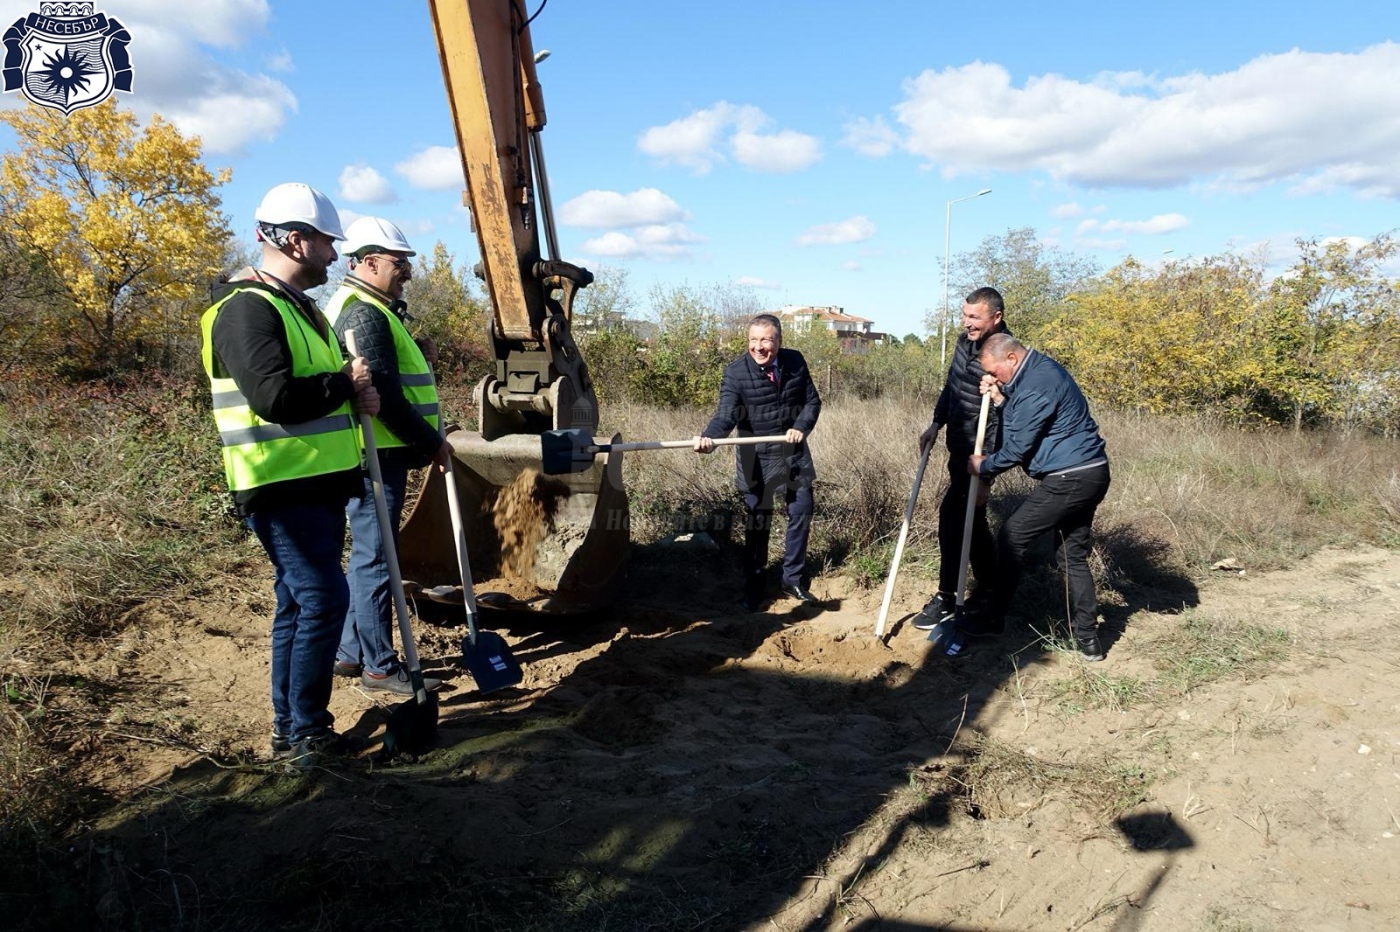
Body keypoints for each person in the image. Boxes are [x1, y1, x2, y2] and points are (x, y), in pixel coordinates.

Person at [201, 183, 380, 767]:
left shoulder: (297, 309)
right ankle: (306, 731)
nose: (334, 256)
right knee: (324, 599)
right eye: (328, 244)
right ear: (296, 241)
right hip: (281, 488)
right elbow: (274, 397)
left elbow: (323, 389)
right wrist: (343, 386)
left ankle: (291, 729)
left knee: (299, 604)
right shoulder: (245, 309)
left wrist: (356, 398)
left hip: (318, 485)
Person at [325, 216, 449, 696]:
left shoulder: (372, 308)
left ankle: (350, 652)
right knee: (376, 560)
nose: (408, 272)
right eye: (400, 263)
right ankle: (379, 667)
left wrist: (417, 350)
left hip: (379, 451)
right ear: (369, 261)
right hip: (378, 454)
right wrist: (432, 442)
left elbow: (381, 364)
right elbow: (387, 397)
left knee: (368, 555)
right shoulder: (364, 312)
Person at [968, 333, 1111, 660]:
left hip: (1072, 477)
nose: (994, 378)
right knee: (1071, 554)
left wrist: (983, 466)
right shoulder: (1038, 372)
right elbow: (1028, 417)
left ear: (1012, 359)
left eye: (996, 372)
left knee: (1012, 535)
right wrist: (1002, 399)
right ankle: (1088, 640)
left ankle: (993, 618)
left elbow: (1018, 448)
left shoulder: (1036, 383)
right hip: (1090, 472)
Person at [693, 314, 822, 612]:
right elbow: (725, 414)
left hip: (793, 452)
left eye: (765, 340)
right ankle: (754, 585)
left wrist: (801, 427)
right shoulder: (736, 372)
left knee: (801, 512)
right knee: (757, 523)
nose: (759, 347)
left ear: (778, 340)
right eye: (753, 340)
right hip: (755, 457)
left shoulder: (795, 361)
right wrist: (709, 438)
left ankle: (791, 579)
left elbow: (813, 402)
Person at [913, 287, 1009, 631]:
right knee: (973, 521)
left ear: (995, 318)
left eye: (974, 317)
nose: (967, 323)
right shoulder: (962, 342)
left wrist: (986, 473)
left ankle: (947, 596)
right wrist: (936, 423)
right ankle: (989, 587)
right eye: (965, 315)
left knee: (952, 517)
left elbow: (1003, 416)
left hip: (981, 454)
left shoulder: (1004, 354)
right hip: (957, 445)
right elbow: (951, 387)